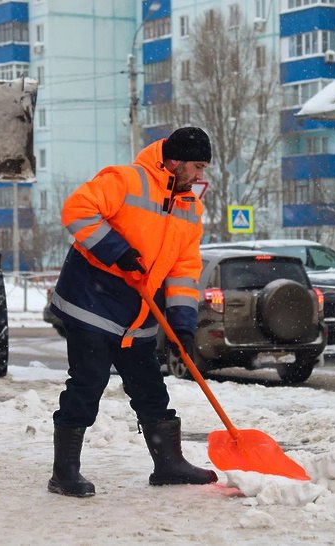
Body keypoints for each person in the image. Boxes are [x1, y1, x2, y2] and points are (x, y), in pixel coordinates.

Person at [47, 127, 217, 497]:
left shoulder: (190, 207)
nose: (201, 176)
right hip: (90, 303)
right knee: (88, 383)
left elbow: (184, 270)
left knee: (150, 388)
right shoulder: (125, 180)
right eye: (197, 166)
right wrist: (116, 249)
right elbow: (76, 210)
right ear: (175, 161)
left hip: (138, 314)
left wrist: (183, 325)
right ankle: (64, 472)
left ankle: (168, 464)